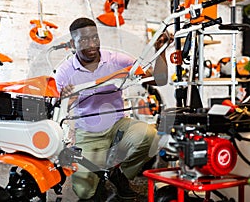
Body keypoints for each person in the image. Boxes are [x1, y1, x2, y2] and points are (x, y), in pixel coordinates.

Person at [54, 17, 172, 201]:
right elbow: (56, 108)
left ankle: (120, 175)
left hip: (119, 125)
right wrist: (66, 100)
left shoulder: (116, 60)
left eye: (95, 38)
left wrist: (161, 51)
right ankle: (100, 174)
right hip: (88, 132)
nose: (92, 44)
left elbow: (159, 79)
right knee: (85, 192)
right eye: (84, 40)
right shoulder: (64, 71)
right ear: (72, 43)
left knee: (150, 135)